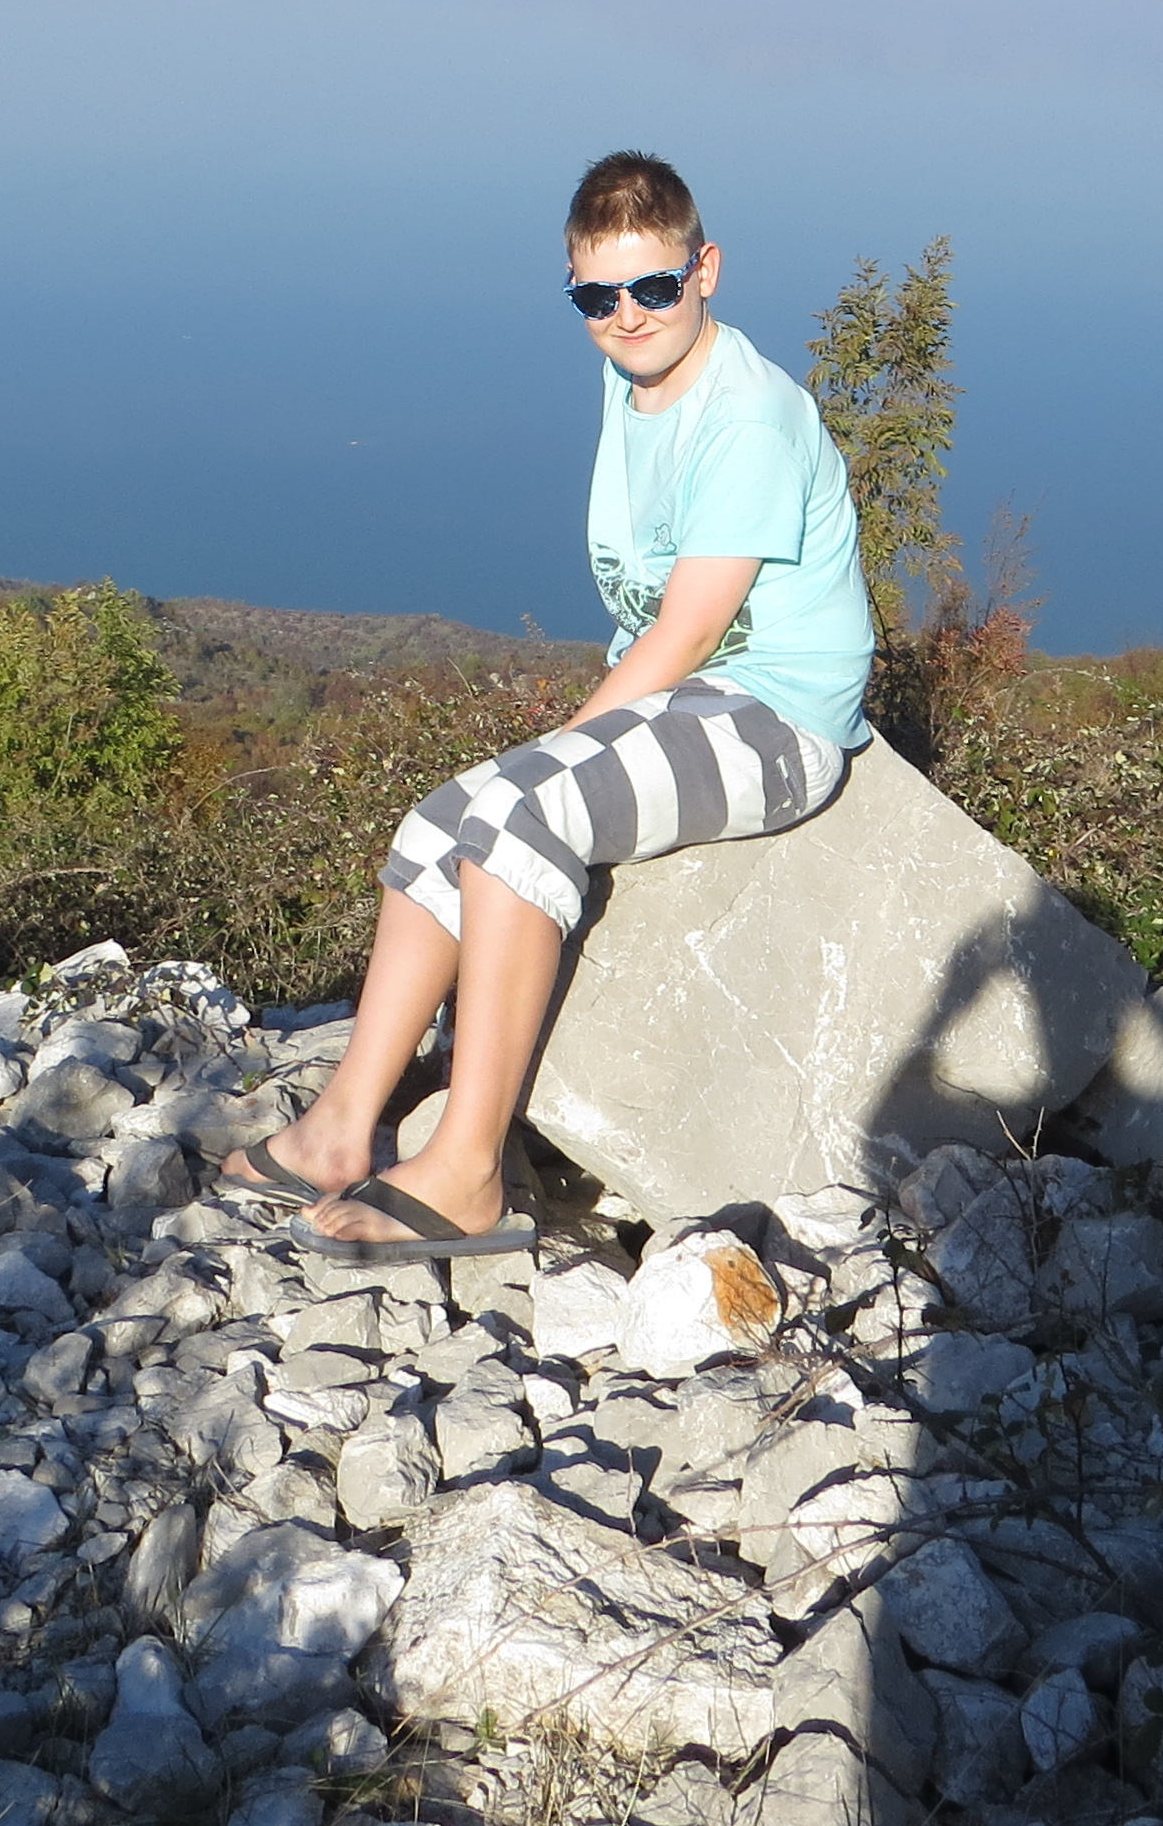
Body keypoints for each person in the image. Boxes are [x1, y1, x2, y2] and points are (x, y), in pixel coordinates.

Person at [221, 150, 877, 1262]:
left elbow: (687, 633)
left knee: (521, 817)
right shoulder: (639, 377)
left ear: (706, 270)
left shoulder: (748, 420)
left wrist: (561, 754)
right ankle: (340, 1125)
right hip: (695, 704)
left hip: (774, 720)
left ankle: (467, 1169)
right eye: (597, 297)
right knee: (440, 820)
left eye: (654, 286)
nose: (628, 316)